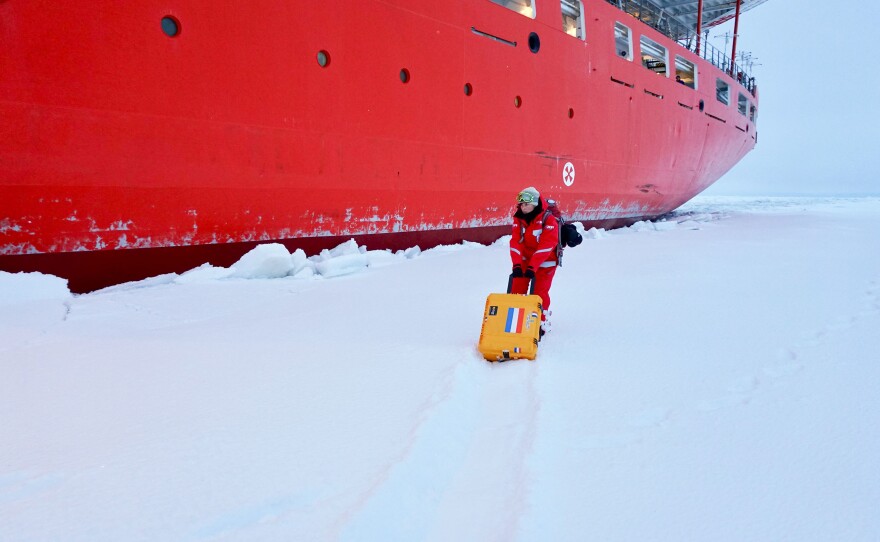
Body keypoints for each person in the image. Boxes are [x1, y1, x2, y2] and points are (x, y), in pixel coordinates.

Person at [509, 186, 558, 335]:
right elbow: (516, 242)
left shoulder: (548, 220)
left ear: (535, 204)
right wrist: (517, 264)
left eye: (526, 204)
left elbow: (546, 246)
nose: (523, 207)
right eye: (521, 204)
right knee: (517, 288)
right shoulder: (519, 218)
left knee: (539, 293)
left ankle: (541, 323)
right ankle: (515, 319)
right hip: (526, 261)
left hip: (546, 262)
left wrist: (533, 267)